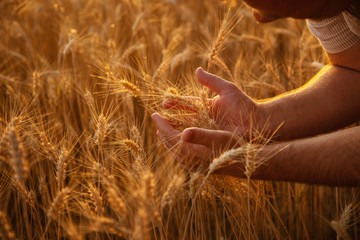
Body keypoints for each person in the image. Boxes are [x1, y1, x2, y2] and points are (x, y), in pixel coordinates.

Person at [152, 0, 360, 186]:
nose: (259, 17)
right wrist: (258, 119)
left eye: (271, 12)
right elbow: (354, 70)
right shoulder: (322, 6)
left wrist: (249, 160)